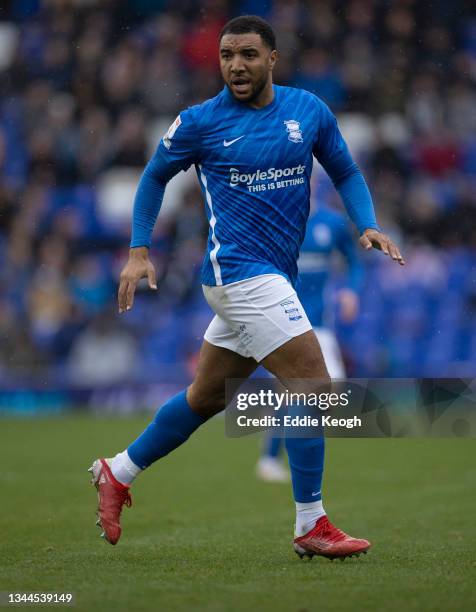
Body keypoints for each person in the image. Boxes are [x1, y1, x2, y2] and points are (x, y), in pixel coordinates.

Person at [88, 15, 404, 560]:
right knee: (312, 384)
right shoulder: (199, 121)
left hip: (269, 277)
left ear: (272, 59)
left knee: (206, 397)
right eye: (227, 55)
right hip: (239, 273)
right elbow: (153, 177)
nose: (236, 65)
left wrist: (366, 222)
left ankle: (116, 472)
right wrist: (139, 250)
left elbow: (346, 171)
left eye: (249, 55)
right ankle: (312, 523)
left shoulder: (308, 111)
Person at [256, 204, 363, 483]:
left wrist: (351, 291)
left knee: (328, 390)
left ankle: (287, 453)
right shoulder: (273, 219)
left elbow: (353, 260)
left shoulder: (332, 223)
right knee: (289, 392)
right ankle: (273, 460)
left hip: (320, 324)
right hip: (282, 323)